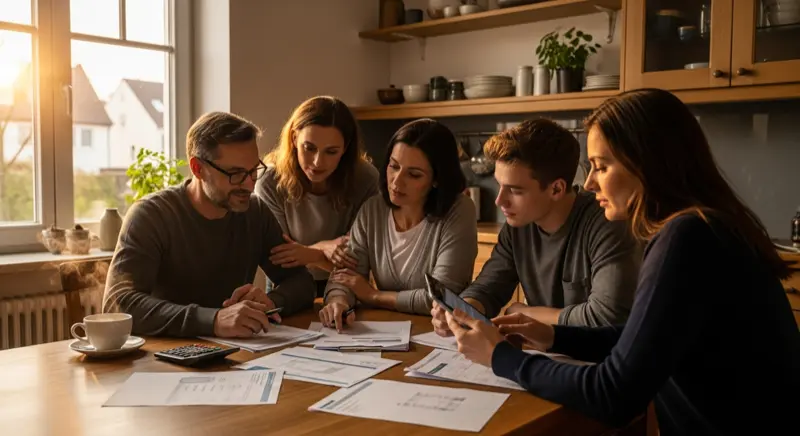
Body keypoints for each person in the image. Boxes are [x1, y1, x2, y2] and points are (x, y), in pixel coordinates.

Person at [444, 89, 800, 434]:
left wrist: (500, 358)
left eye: (600, 166)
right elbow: (644, 339)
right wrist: (554, 336)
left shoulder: (688, 237)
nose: (588, 182)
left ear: (645, 163)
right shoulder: (709, 226)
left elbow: (613, 394)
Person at [103, 111, 316, 338]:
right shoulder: (151, 215)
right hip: (163, 354)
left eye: (253, 171)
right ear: (198, 169)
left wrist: (271, 301)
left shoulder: (256, 212)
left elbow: (302, 283)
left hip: (234, 352)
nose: (248, 185)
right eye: (235, 174)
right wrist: (212, 320)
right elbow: (119, 304)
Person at [431, 118, 640, 336]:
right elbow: (488, 287)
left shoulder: (607, 224)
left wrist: (528, 314)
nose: (500, 200)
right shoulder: (518, 224)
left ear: (556, 189)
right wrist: (461, 310)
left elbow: (606, 317)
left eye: (515, 190)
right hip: (544, 353)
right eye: (499, 185)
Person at [319, 118, 478, 330]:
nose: (396, 182)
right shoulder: (372, 209)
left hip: (441, 336)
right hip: (387, 333)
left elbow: (444, 297)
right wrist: (338, 302)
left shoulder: (460, 210)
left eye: (413, 174)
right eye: (394, 166)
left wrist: (374, 295)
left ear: (437, 179)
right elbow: (345, 276)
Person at [256, 96, 379, 298]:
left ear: (345, 148)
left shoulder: (366, 179)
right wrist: (324, 250)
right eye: (309, 148)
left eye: (331, 152)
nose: (317, 162)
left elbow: (358, 258)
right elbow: (281, 257)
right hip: (287, 285)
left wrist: (308, 253)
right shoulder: (269, 181)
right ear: (295, 138)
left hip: (345, 283)